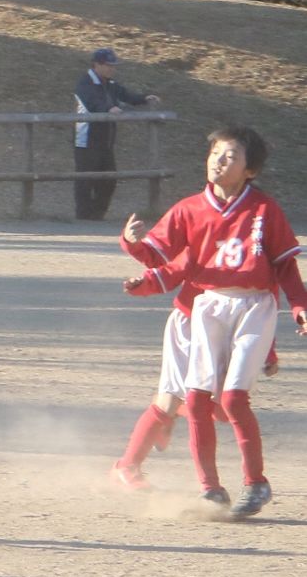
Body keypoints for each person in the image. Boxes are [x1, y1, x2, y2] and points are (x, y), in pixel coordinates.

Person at [113, 125, 307, 518]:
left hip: (250, 308)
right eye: (215, 153)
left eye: (231, 156)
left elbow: (282, 267)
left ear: (250, 170)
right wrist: (134, 247)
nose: (219, 160)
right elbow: (164, 262)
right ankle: (203, 487)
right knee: (192, 400)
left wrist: (297, 309)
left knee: (224, 400)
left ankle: (254, 483)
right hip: (202, 310)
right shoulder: (189, 209)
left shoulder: (264, 210)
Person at [72, 48, 159, 221]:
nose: (112, 69)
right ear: (96, 65)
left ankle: (96, 216)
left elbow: (126, 95)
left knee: (109, 180)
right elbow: (92, 102)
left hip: (106, 141)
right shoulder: (85, 83)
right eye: (108, 65)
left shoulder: (110, 84)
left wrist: (144, 98)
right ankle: (83, 217)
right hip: (87, 141)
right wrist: (108, 109)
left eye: (113, 65)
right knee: (85, 180)